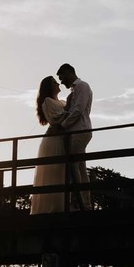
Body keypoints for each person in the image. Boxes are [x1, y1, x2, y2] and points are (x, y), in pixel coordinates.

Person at [56, 63, 93, 210]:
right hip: (78, 131)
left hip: (79, 131)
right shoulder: (75, 90)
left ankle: (78, 203)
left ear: (67, 73)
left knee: (74, 167)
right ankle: (85, 203)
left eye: (61, 78)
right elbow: (74, 110)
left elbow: (78, 110)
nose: (61, 82)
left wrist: (62, 126)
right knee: (80, 168)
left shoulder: (82, 86)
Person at [31, 75, 68, 214]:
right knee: (52, 172)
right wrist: (68, 113)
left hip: (62, 138)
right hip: (53, 140)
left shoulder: (62, 102)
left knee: (61, 172)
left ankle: (61, 205)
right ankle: (51, 208)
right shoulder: (47, 101)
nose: (58, 83)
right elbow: (54, 120)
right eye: (54, 82)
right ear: (49, 87)